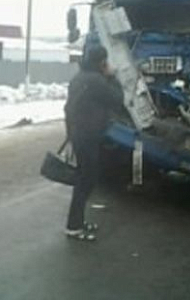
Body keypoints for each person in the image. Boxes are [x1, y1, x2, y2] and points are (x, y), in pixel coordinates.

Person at [64, 44, 124, 241]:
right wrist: (113, 77)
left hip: (79, 134)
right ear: (102, 62)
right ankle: (73, 227)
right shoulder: (97, 80)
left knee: (85, 179)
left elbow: (68, 108)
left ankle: (78, 222)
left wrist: (70, 134)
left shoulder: (78, 78)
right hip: (88, 136)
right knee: (86, 181)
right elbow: (117, 100)